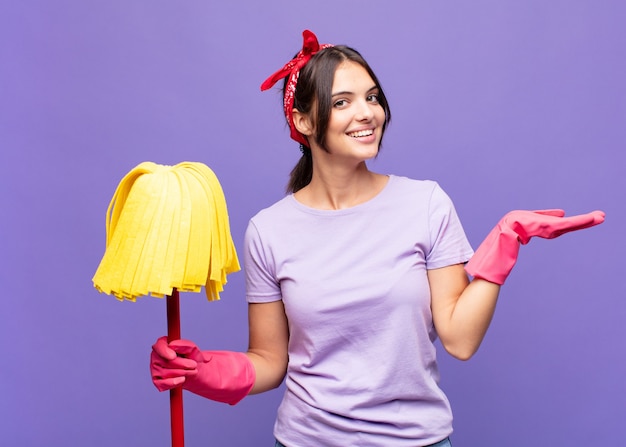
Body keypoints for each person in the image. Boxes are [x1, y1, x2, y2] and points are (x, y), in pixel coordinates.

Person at [150, 30, 605, 447]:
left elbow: (460, 340)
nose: (368, 112)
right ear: (304, 121)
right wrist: (203, 371)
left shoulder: (425, 203)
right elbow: (270, 359)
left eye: (372, 97)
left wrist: (506, 242)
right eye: (343, 101)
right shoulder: (268, 231)